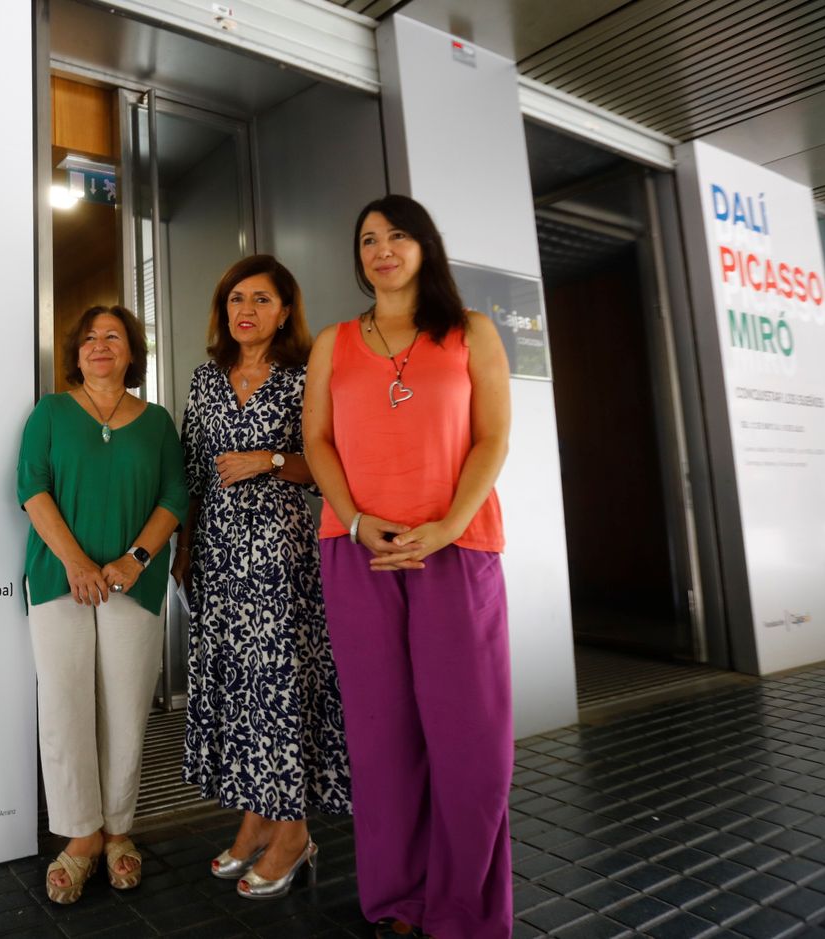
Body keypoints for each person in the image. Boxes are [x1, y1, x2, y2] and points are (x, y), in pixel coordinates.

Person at [303, 195, 512, 939]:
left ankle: (466, 908)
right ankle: (398, 897)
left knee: (471, 742)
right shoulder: (334, 341)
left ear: (424, 244)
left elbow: (491, 439)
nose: (381, 249)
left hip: (456, 550)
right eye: (367, 239)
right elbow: (318, 441)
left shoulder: (471, 333)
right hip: (358, 552)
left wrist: (446, 526)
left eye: (396, 235)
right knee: (383, 739)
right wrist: (357, 522)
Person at [174, 255, 350, 900]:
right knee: (239, 689)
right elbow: (192, 471)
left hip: (279, 556)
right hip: (218, 554)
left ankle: (294, 832)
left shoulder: (304, 376)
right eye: (236, 298)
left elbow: (330, 465)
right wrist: (185, 549)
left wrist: (271, 460)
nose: (246, 309)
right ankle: (256, 816)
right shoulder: (205, 377)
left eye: (262, 299)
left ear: (284, 312)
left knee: (279, 689)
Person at [17, 305, 188, 904]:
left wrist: (133, 560)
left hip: (132, 585)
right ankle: (82, 835)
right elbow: (31, 488)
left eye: (112, 336)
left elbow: (174, 495)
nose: (99, 345)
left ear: (131, 351)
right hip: (59, 579)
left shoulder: (159, 421)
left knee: (124, 711)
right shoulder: (51, 412)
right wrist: (77, 562)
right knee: (64, 709)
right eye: (89, 337)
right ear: (76, 351)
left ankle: (119, 830)